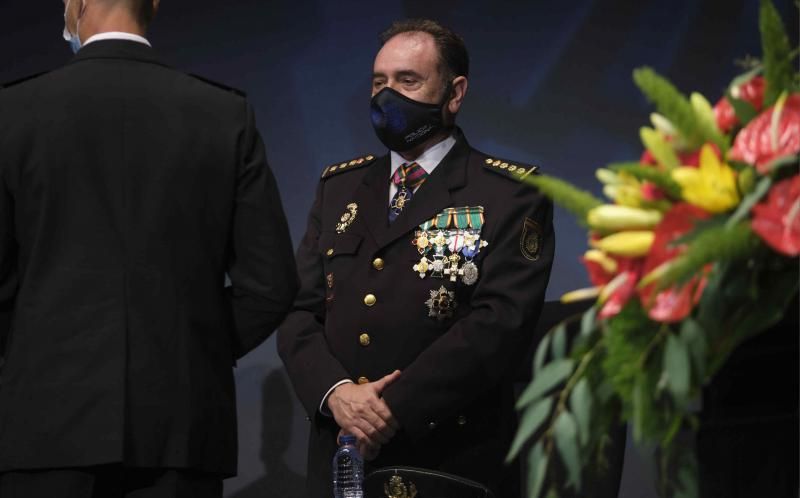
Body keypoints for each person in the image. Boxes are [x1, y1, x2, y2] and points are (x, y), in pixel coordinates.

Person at [0, 1, 298, 497]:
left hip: (43, 432)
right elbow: (270, 286)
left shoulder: (11, 112)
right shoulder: (224, 114)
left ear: (76, 4)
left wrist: (32, 348)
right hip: (180, 431)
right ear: (154, 5)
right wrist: (189, 349)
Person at [278, 18, 555, 497]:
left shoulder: (510, 193)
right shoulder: (340, 187)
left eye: (408, 80)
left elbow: (499, 323)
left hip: (446, 458)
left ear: (454, 92)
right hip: (339, 457)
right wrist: (336, 394)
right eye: (379, 81)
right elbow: (298, 309)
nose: (388, 96)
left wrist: (388, 409)